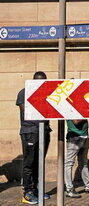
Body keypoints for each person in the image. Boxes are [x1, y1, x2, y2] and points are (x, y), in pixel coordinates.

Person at [17, 71, 52, 205]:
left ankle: (37, 189)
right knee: (29, 162)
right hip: (30, 131)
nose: (42, 83)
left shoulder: (46, 93)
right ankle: (27, 192)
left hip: (44, 131)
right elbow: (25, 111)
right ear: (33, 81)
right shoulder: (24, 92)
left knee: (39, 162)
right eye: (39, 81)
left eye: (44, 81)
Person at [64, 118, 89, 197]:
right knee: (69, 163)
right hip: (75, 137)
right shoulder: (72, 107)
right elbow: (76, 121)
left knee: (83, 163)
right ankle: (69, 189)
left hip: (84, 136)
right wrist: (87, 115)